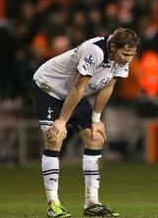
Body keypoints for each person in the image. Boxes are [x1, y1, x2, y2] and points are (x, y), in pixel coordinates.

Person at [31, 27, 140, 217]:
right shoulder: (95, 51)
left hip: (73, 93)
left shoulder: (123, 57)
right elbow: (79, 86)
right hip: (49, 88)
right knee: (55, 138)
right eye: (124, 54)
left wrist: (96, 119)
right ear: (113, 47)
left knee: (95, 137)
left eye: (131, 55)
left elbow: (109, 85)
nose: (127, 59)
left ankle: (92, 203)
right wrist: (61, 121)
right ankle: (53, 204)